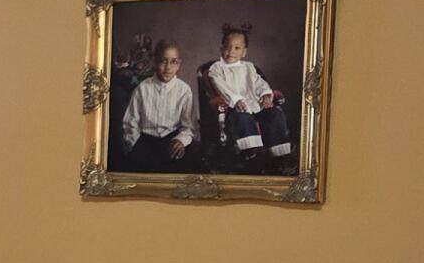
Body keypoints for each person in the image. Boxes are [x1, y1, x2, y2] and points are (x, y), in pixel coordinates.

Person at [202, 24, 295, 169]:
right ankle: (252, 152)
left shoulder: (249, 67)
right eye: (227, 47)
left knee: (275, 114)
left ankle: (279, 155)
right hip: (233, 108)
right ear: (221, 49)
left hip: (255, 105)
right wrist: (236, 99)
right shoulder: (216, 69)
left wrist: (265, 95)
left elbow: (259, 83)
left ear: (244, 52)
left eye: (237, 48)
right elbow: (221, 87)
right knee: (243, 118)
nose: (231, 51)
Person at [118, 42, 199, 170]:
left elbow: (189, 126)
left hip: (172, 139)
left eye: (173, 62)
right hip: (145, 140)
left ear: (179, 65)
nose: (168, 67)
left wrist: (181, 141)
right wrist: (134, 144)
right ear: (155, 62)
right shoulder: (143, 88)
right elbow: (130, 121)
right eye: (163, 61)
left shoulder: (184, 90)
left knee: (185, 167)